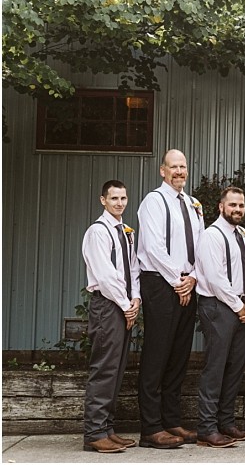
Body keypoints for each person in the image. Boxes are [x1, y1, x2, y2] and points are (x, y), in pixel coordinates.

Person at [136, 149, 204, 449]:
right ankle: (151, 428)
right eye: (173, 167)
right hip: (161, 284)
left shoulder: (193, 204)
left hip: (186, 284)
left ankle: (172, 420)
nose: (179, 171)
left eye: (183, 166)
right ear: (162, 171)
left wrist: (194, 278)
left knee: (178, 356)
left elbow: (202, 246)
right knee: (157, 355)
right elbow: (153, 247)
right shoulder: (154, 201)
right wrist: (179, 281)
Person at [194, 187, 245, 448]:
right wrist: (238, 306)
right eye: (232, 205)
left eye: (241, 205)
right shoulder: (211, 235)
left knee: (235, 368)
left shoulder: (243, 235)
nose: (237, 210)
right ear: (221, 207)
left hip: (242, 307)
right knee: (216, 367)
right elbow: (216, 278)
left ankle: (226, 422)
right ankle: (206, 428)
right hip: (219, 307)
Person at [82, 180, 141, 453]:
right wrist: (125, 304)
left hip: (124, 304)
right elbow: (106, 275)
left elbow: (133, 268)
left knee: (116, 371)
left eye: (123, 198)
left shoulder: (125, 232)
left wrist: (136, 299)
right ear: (102, 200)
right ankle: (94, 433)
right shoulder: (98, 231)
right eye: (114, 198)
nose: (119, 203)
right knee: (104, 369)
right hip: (108, 305)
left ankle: (107, 428)